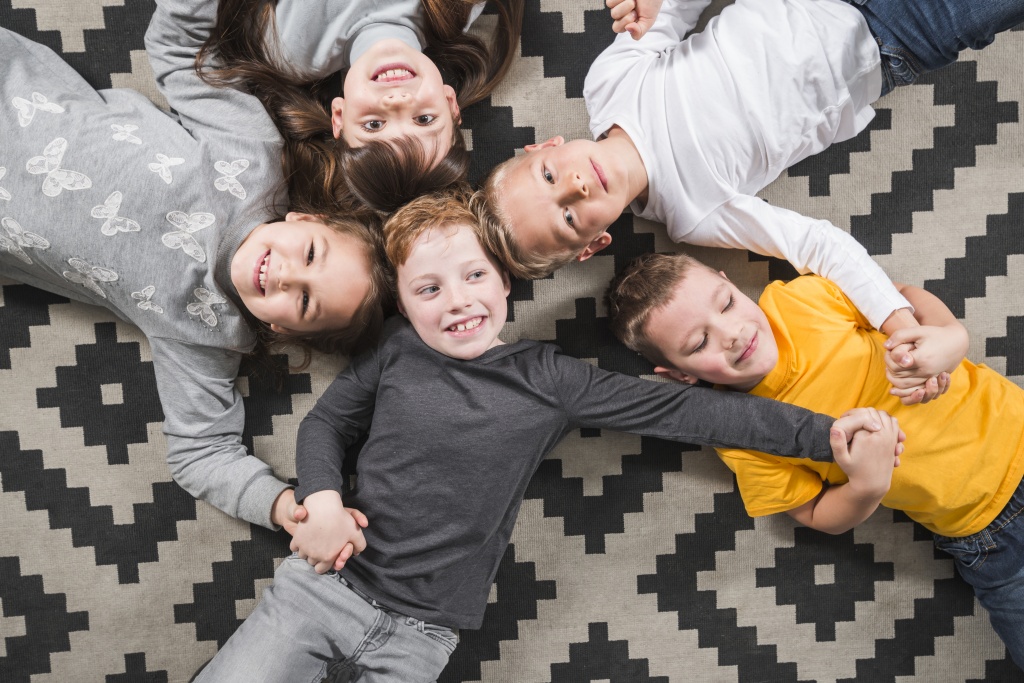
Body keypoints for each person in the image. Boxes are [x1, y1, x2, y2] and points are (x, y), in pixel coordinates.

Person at [192, 189, 901, 681]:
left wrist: (830, 434)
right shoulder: (398, 352)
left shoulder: (552, 378)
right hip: (324, 588)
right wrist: (316, 498)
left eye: (472, 275)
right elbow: (326, 422)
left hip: (423, 636)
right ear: (402, 304)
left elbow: (697, 416)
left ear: (503, 281)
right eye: (428, 289)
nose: (458, 300)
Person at [474, 0, 1024, 397]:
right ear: (595, 243)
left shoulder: (608, 84)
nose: (575, 185)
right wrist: (896, 322)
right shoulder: (692, 213)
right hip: (891, 36)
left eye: (549, 176)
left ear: (544, 145)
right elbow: (816, 244)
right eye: (569, 218)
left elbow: (677, 13)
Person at [0, 0, 393, 532]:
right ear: (304, 217)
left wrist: (286, 510)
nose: (284, 274)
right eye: (309, 254)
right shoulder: (254, 156)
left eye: (303, 299)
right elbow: (181, 48)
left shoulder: (207, 338)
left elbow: (201, 453)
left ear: (280, 328)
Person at [605, 251, 1024, 666]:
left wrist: (947, 335)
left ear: (728, 280)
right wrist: (865, 487)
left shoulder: (802, 299)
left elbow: (897, 295)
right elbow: (812, 512)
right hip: (987, 536)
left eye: (727, 302)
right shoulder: (737, 430)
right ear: (679, 375)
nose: (731, 333)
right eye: (700, 343)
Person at [199, 0, 524, 213]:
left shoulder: (286, 51)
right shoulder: (455, 9)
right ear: (450, 102)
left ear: (339, 116)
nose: (397, 101)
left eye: (374, 125)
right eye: (424, 119)